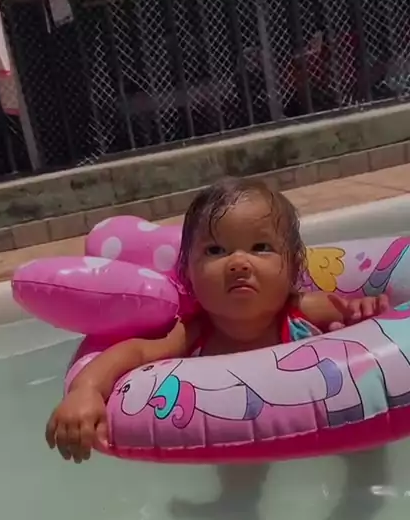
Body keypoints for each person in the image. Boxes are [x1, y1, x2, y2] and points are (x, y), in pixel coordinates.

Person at [46, 178, 388, 463]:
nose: (238, 262)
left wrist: (364, 309)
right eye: (215, 251)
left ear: (294, 267)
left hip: (325, 426)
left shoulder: (305, 311)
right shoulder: (193, 331)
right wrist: (86, 390)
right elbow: (134, 352)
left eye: (260, 247)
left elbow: (368, 327)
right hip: (233, 432)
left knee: (363, 449)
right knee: (234, 456)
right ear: (188, 273)